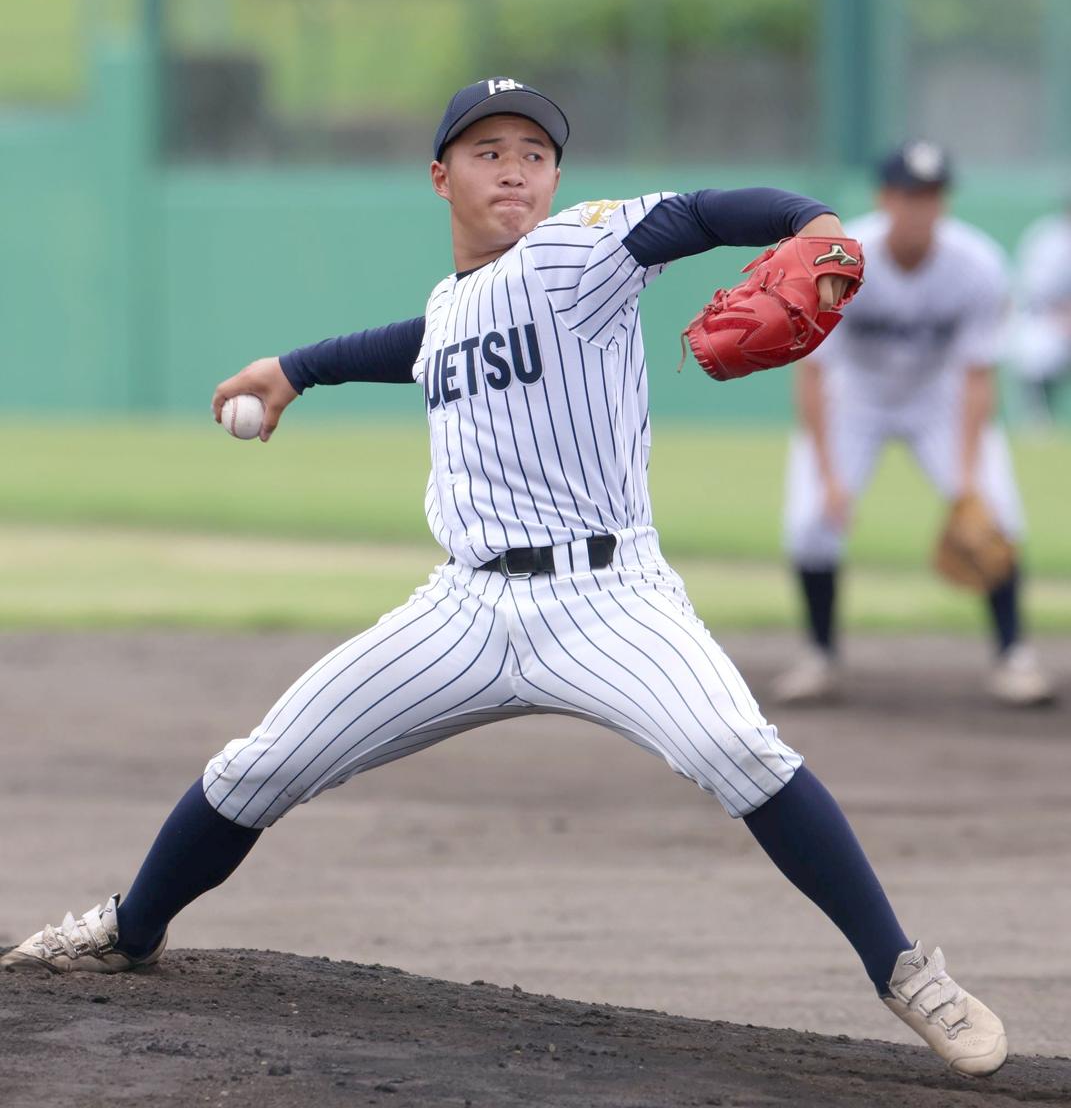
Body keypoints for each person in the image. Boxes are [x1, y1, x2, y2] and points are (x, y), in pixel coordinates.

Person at [2, 83, 1007, 1077]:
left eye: (533, 150)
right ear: (441, 178)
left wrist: (815, 226)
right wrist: (296, 367)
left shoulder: (583, 250)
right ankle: (130, 930)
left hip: (609, 600)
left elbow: (699, 215)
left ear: (558, 176)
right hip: (466, 609)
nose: (515, 165)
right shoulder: (453, 307)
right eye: (488, 151)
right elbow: (421, 342)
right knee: (258, 766)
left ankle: (906, 972)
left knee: (739, 746)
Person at [775, 141, 1054, 708]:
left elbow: (978, 377)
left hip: (938, 400)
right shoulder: (845, 258)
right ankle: (820, 658)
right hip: (856, 399)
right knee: (810, 522)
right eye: (909, 195)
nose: (920, 208)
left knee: (994, 512)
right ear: (885, 198)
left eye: (931, 196)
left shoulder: (977, 264)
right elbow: (813, 374)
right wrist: (829, 477)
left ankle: (1012, 656)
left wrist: (970, 478)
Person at [1011, 201, 1071, 425]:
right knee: (1035, 344)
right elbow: (1035, 294)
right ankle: (1037, 419)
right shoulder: (1049, 240)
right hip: (1049, 322)